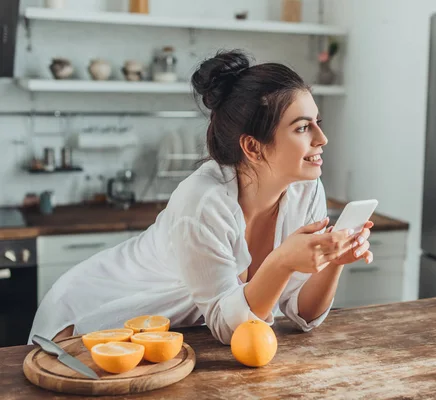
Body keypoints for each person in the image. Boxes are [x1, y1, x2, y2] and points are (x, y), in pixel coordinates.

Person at [28, 50, 374, 345]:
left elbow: (302, 315)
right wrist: (282, 262)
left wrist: (333, 262)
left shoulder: (306, 189)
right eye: (302, 127)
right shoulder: (203, 201)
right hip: (95, 313)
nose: (322, 138)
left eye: (317, 122)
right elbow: (230, 328)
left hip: (170, 335)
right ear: (253, 146)